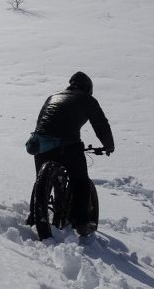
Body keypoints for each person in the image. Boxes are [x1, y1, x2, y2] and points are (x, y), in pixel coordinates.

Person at [27, 71, 114, 236]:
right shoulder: (88, 99)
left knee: (41, 181)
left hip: (40, 144)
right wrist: (108, 146)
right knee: (80, 181)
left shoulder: (52, 96)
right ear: (88, 89)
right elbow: (101, 125)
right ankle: (82, 222)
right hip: (67, 145)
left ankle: (34, 216)